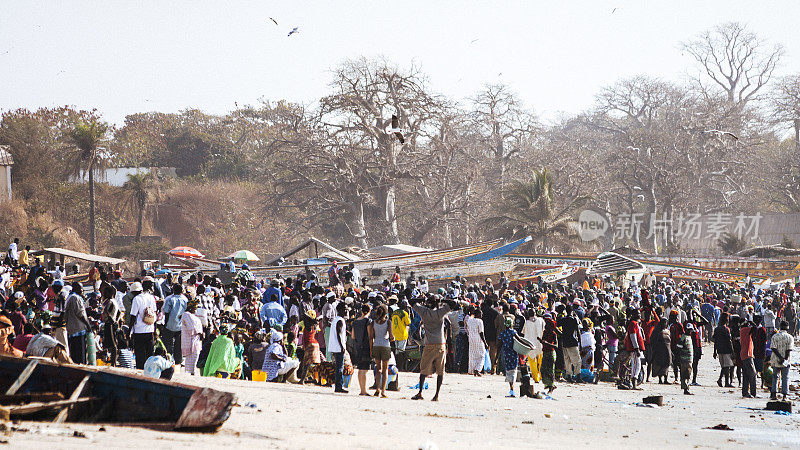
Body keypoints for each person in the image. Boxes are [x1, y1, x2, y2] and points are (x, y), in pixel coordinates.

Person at [411, 295, 459, 401]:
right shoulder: (440, 312)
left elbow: (411, 302)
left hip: (428, 344)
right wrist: (442, 300)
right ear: (437, 303)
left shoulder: (424, 312)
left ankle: (420, 392)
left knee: (423, 370)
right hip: (440, 344)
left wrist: (422, 299)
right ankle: (436, 395)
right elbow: (453, 303)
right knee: (440, 371)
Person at [130, 279, 158, 370]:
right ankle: (150, 373)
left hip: (139, 331)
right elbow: (154, 315)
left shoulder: (137, 299)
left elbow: (133, 317)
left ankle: (140, 374)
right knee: (150, 354)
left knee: (140, 355)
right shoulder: (151, 298)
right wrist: (155, 331)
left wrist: (129, 331)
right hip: (150, 330)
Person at [368, 304, 394, 398]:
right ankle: (383, 391)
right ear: (386, 313)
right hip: (385, 346)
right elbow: (390, 335)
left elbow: (371, 338)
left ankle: (377, 389)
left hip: (376, 346)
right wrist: (392, 338)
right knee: (385, 369)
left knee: (378, 368)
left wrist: (371, 350)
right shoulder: (388, 322)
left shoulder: (373, 323)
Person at [64, 282, 90, 364]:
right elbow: (81, 314)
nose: (82, 290)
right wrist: (88, 325)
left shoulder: (69, 297)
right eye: (81, 288)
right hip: (78, 329)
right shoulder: (76, 298)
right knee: (80, 355)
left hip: (71, 329)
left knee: (74, 354)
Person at [161, 284, 188, 365]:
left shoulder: (169, 299)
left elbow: (166, 312)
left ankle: (168, 359)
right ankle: (178, 360)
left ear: (173, 290)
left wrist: (165, 325)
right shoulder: (185, 299)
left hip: (170, 324)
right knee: (178, 344)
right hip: (181, 325)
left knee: (168, 344)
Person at [351, 303, 373, 395]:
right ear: (369, 311)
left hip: (358, 347)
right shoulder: (368, 321)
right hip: (366, 347)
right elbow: (370, 336)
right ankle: (363, 391)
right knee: (364, 369)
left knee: (360, 369)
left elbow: (352, 336)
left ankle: (361, 389)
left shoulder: (355, 322)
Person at [769, 320, 793, 401]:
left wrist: (779, 358)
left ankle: (773, 394)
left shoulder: (775, 336)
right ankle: (784, 396)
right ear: (787, 328)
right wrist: (784, 359)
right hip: (786, 361)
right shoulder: (790, 337)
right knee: (785, 377)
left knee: (775, 377)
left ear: (780, 327)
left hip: (776, 360)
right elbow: (789, 350)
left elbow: (773, 348)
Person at [328, 302, 348, 393]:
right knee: (340, 367)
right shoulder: (340, 320)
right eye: (345, 309)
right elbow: (339, 333)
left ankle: (338, 385)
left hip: (335, 347)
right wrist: (342, 346)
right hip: (338, 347)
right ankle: (339, 386)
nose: (346, 311)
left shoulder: (336, 320)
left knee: (338, 367)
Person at [498, 316, 519, 397]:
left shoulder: (502, 334)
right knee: (513, 370)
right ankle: (512, 389)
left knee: (509, 371)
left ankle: (511, 388)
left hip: (506, 354)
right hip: (513, 354)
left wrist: (496, 358)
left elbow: (499, 345)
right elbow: (520, 340)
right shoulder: (514, 332)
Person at [181, 299, 204, 375]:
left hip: (196, 340)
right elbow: (191, 328)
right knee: (190, 359)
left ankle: (192, 372)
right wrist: (200, 332)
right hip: (190, 340)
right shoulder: (186, 314)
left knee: (195, 357)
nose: (196, 309)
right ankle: (189, 373)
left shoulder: (194, 316)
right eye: (195, 308)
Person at [523, 310, 544, 384]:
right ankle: (542, 376)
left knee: (532, 362)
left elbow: (524, 332)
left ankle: (536, 378)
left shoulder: (527, 322)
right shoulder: (540, 320)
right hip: (539, 344)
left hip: (530, 344)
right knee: (541, 361)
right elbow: (543, 330)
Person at [713, 314, 734, 387]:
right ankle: (726, 382)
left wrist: (714, 351)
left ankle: (720, 379)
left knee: (724, 366)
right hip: (726, 350)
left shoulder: (717, 329)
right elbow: (729, 341)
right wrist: (732, 351)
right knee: (727, 367)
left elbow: (715, 341)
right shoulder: (726, 329)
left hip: (719, 350)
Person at [739, 319, 757, 398]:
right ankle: (753, 393)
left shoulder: (742, 330)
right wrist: (751, 321)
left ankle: (745, 392)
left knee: (746, 375)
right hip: (747, 354)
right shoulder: (746, 330)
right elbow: (755, 328)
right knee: (753, 374)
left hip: (744, 354)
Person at [467, 308, 488, 376]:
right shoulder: (480, 321)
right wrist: (485, 343)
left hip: (471, 339)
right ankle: (477, 369)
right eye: (481, 313)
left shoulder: (469, 320)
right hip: (478, 339)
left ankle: (471, 370)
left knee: (472, 355)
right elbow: (481, 333)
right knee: (482, 354)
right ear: (478, 314)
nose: (482, 315)